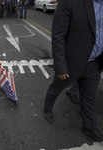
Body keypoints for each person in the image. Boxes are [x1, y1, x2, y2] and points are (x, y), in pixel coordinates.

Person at [43, 0, 103, 142]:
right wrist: (60, 66)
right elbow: (58, 36)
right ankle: (47, 108)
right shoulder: (70, 2)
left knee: (89, 98)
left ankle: (89, 127)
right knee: (56, 88)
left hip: (95, 64)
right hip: (72, 63)